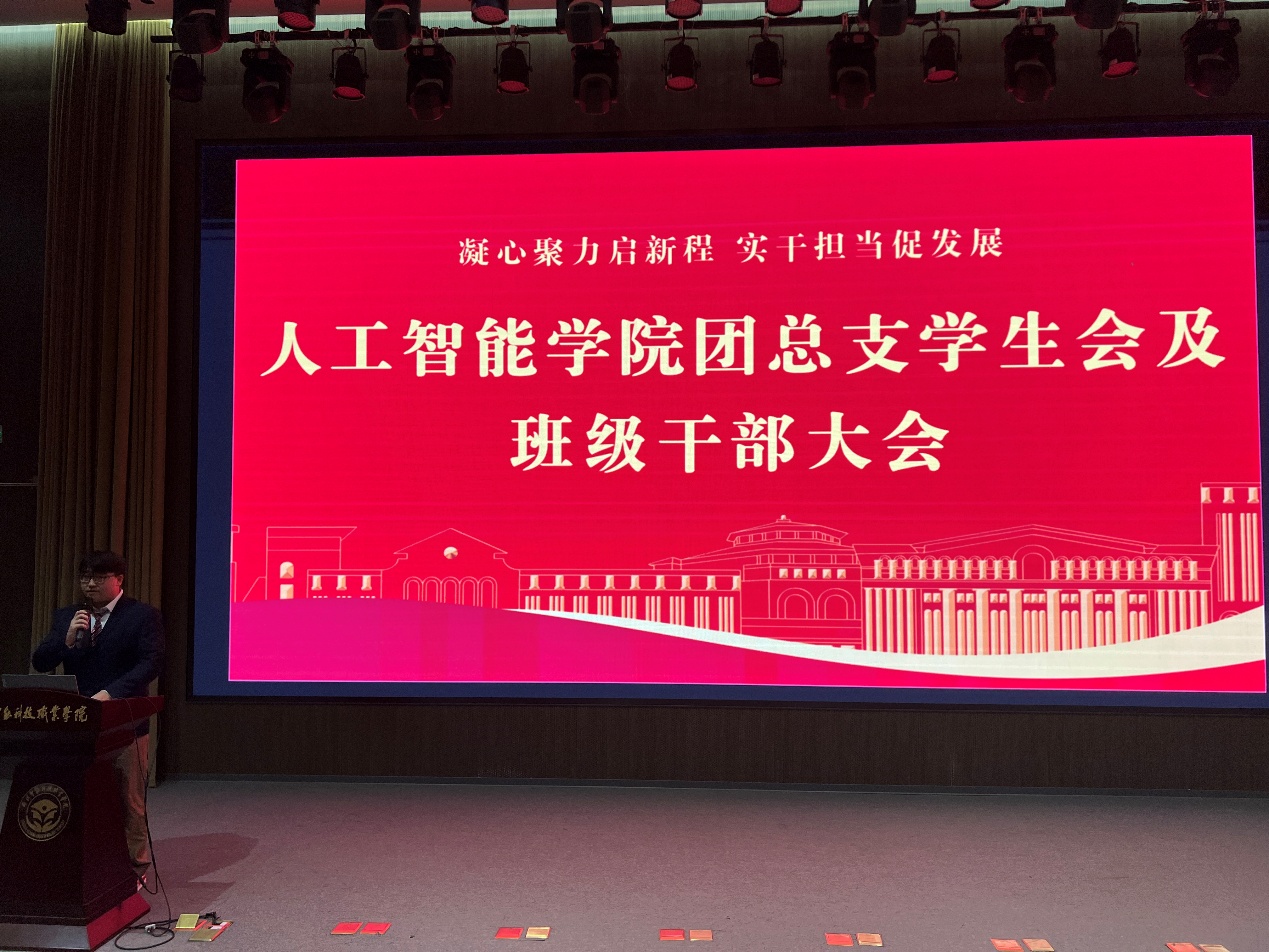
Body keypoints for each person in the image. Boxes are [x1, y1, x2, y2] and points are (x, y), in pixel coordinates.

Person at [31, 551, 165, 886]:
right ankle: (83, 864)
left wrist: (110, 693)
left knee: (128, 799)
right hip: (77, 723)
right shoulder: (68, 616)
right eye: (85, 577)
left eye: (99, 577)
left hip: (124, 720)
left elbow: (150, 663)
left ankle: (136, 869)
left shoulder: (141, 615)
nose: (90, 584)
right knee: (79, 795)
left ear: (118, 579)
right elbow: (41, 662)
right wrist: (64, 642)